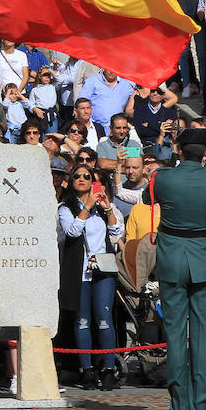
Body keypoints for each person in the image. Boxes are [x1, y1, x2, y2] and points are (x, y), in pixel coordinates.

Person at [151, 128, 206, 410]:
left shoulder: (164, 177)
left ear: (180, 149)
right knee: (202, 331)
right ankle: (201, 405)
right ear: (205, 152)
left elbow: (149, 197)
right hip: (204, 255)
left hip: (172, 258)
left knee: (173, 332)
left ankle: (179, 406)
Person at [59, 162, 123, 390]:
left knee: (104, 320)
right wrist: (86, 207)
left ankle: (107, 369)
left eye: (87, 176)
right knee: (83, 320)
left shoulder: (101, 206)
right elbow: (72, 232)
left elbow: (117, 233)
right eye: (77, 176)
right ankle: (86, 369)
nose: (82, 178)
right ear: (72, 180)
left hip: (103, 269)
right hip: (79, 271)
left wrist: (106, 209)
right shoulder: (65, 207)